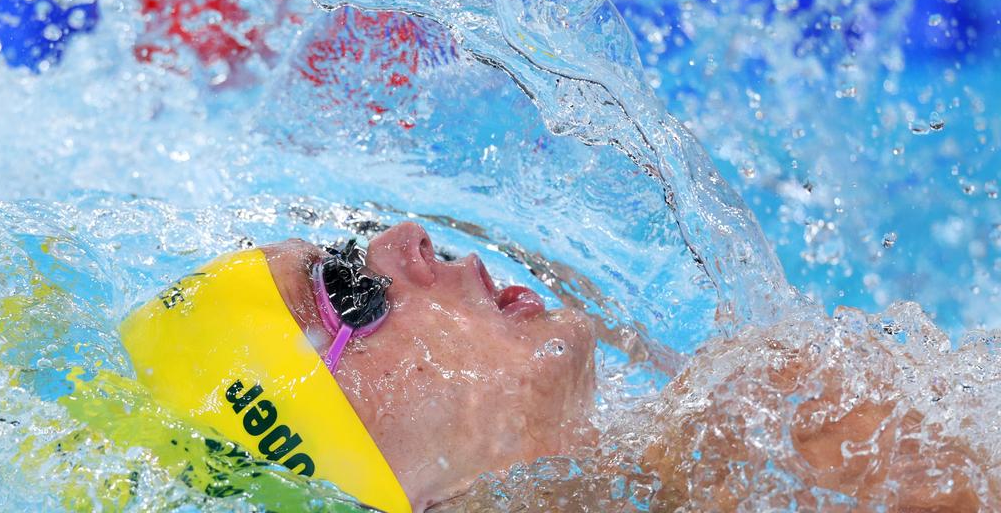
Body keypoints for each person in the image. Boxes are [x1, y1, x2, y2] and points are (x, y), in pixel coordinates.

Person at [120, 222, 993, 513]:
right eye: (348, 291)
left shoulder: (770, 419)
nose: (408, 237)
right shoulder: (796, 445)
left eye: (352, 245)